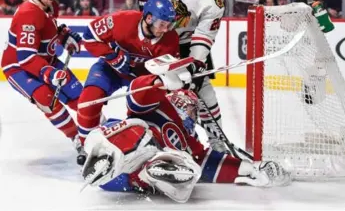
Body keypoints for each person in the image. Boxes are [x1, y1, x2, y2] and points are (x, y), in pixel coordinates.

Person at [81, 72, 291, 203]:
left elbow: (210, 162)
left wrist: (251, 168)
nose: (192, 113)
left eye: (194, 111)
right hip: (113, 150)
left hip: (126, 182)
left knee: (192, 168)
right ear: (176, 100)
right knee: (140, 130)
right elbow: (137, 96)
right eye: (189, 107)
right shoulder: (158, 107)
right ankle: (112, 155)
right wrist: (158, 81)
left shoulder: (188, 141)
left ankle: (150, 173)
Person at [127, 0, 228, 152]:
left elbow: (203, 37)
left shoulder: (215, 4)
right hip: (160, 38)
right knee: (154, 88)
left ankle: (216, 142)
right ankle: (143, 130)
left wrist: (196, 63)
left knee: (204, 93)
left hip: (185, 45)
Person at [77, 0, 182, 162]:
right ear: (149, 18)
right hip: (110, 69)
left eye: (170, 25)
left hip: (141, 77)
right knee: (88, 100)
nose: (166, 30)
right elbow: (89, 36)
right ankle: (85, 147)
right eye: (162, 24)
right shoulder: (122, 20)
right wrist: (111, 56)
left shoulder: (171, 39)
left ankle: (135, 146)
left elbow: (167, 73)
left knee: (141, 114)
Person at [0, 0, 84, 161]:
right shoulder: (28, 15)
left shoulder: (51, 5)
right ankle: (77, 138)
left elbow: (51, 30)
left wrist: (65, 36)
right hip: (18, 67)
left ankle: (99, 128)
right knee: (47, 100)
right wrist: (50, 74)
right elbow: (26, 57)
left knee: (78, 95)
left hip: (47, 60)